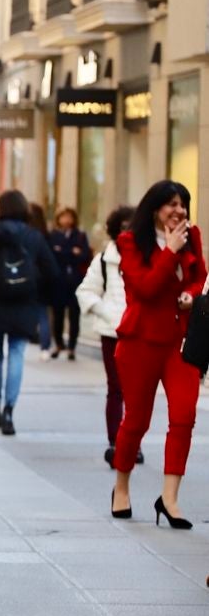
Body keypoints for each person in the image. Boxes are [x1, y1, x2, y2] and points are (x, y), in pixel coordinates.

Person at [108, 180, 205, 527]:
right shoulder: (130, 242)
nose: (179, 210)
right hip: (140, 342)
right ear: (153, 208)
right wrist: (170, 251)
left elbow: (199, 276)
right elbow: (145, 288)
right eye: (171, 204)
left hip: (180, 342)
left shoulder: (192, 236)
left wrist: (192, 295)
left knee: (184, 415)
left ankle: (170, 499)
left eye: (183, 204)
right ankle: (121, 488)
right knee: (137, 419)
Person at [0, 190, 55, 436]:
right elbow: (51, 271)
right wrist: (35, 287)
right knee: (16, 354)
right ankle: (9, 411)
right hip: (24, 305)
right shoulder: (34, 237)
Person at [77, 205, 137, 466]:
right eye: (123, 227)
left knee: (137, 392)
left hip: (138, 332)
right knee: (116, 388)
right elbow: (86, 291)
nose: (127, 232)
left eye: (131, 227)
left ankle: (133, 443)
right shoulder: (104, 259)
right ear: (115, 230)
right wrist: (107, 313)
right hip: (112, 332)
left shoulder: (147, 256)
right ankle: (116, 442)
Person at [48, 207, 91, 359]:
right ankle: (59, 343)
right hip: (59, 281)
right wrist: (71, 252)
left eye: (69, 216)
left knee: (74, 315)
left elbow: (85, 255)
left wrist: (64, 252)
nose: (66, 220)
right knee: (57, 315)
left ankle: (72, 346)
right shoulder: (53, 235)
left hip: (75, 281)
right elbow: (52, 255)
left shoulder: (80, 235)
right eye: (63, 217)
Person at [28, 202, 53, 361]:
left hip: (26, 280)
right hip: (42, 280)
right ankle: (45, 347)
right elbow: (50, 263)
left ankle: (33, 338)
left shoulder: (26, 234)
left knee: (36, 313)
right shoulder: (45, 235)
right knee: (43, 313)